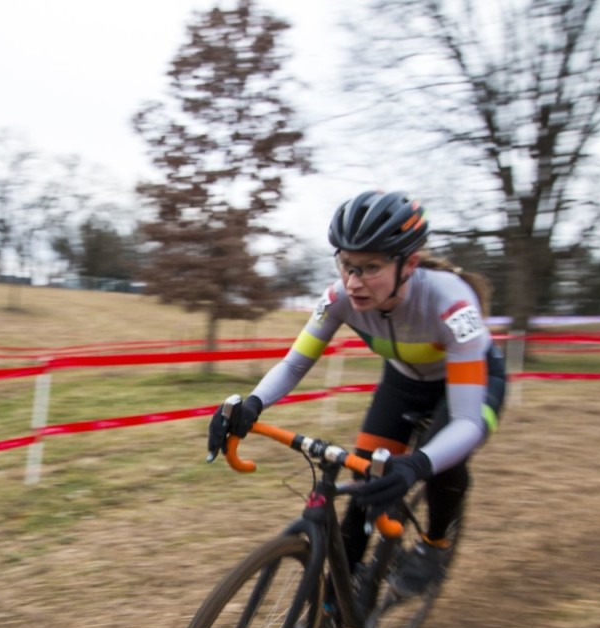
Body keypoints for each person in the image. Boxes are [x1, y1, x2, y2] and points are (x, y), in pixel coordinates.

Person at [208, 189, 506, 604]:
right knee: (364, 485)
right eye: (347, 265)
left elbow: (467, 422)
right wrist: (251, 403)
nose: (353, 281)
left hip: (469, 384)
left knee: (440, 463)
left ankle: (435, 546)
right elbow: (294, 365)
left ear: (409, 265)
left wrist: (417, 464)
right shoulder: (340, 299)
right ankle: (337, 603)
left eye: (370, 268)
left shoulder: (451, 303)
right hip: (404, 382)